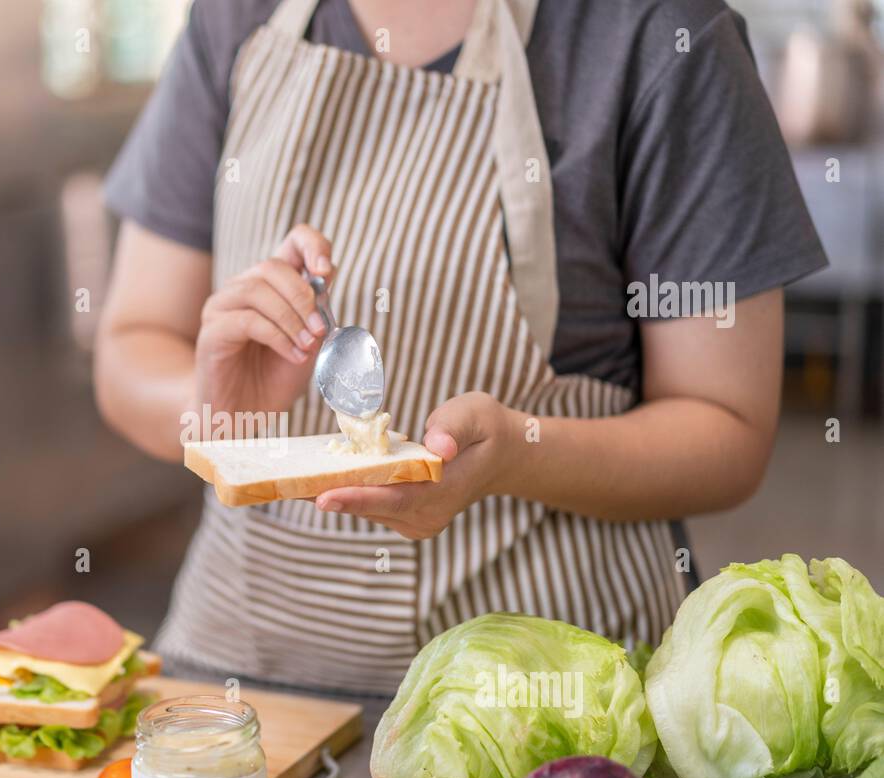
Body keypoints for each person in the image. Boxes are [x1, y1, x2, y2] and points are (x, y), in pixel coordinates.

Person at [94, 0, 827, 694]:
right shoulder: (239, 17)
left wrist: (520, 451)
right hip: (243, 696)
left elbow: (727, 429)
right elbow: (131, 344)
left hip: (540, 714)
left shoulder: (657, 35)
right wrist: (218, 419)